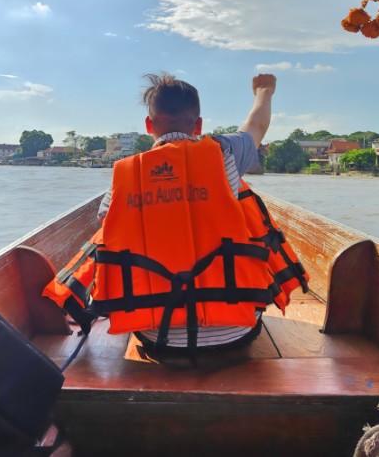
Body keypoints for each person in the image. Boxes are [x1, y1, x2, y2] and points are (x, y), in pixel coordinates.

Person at [43, 72, 308, 355]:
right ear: (199, 125)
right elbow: (256, 125)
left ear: (149, 124)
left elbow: (107, 223)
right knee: (245, 206)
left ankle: (76, 305)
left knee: (106, 235)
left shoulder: (127, 174)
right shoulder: (224, 155)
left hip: (156, 338)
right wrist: (263, 90)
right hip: (236, 335)